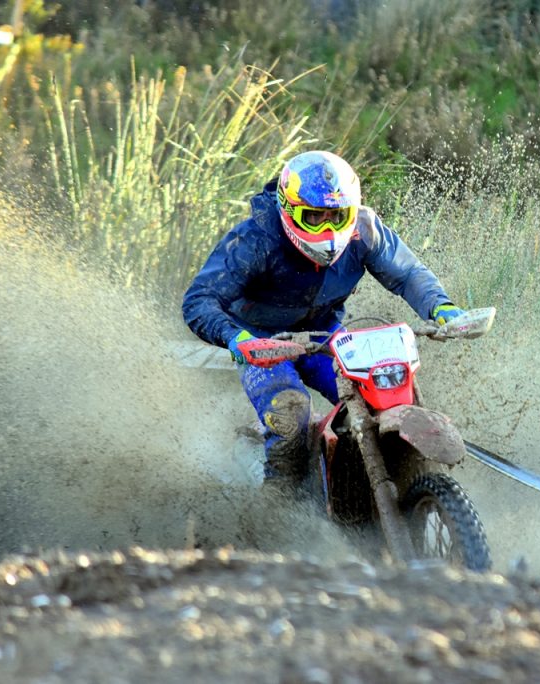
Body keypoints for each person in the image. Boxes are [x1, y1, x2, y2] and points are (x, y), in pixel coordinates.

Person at [182, 150, 465, 491]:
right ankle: (276, 509)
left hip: (326, 334)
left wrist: (441, 307)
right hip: (263, 342)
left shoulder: (365, 230)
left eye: (338, 216)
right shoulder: (256, 238)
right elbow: (200, 298)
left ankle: (389, 489)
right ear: (288, 210)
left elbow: (407, 274)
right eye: (315, 217)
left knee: (382, 398)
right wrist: (236, 338)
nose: (329, 228)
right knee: (291, 417)